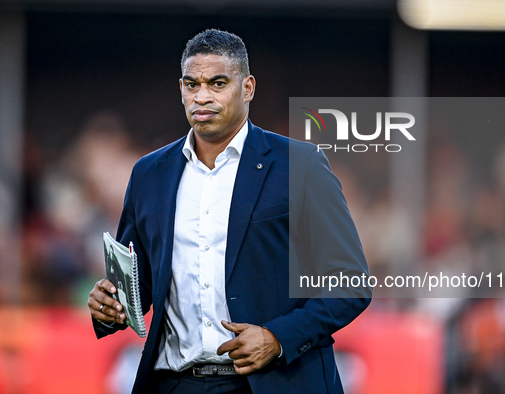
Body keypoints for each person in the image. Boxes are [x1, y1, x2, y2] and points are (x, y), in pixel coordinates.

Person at [88, 29, 370, 394]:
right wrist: (110, 306)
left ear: (248, 87)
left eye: (217, 83)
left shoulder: (300, 165)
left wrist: (277, 337)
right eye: (192, 85)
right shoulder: (149, 173)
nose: (202, 97)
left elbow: (350, 283)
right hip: (175, 383)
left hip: (272, 383)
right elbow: (135, 284)